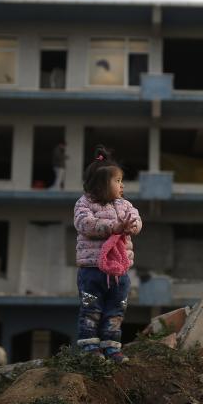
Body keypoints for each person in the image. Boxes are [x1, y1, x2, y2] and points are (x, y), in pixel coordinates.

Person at [73, 145, 143, 363]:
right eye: (118, 181)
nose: (122, 185)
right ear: (101, 184)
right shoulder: (84, 204)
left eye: (122, 181)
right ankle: (89, 347)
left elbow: (137, 222)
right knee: (91, 309)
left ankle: (111, 347)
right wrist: (114, 226)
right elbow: (85, 224)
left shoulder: (126, 205)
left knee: (116, 310)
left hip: (119, 272)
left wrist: (130, 226)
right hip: (92, 270)